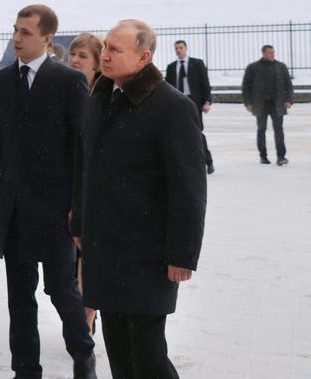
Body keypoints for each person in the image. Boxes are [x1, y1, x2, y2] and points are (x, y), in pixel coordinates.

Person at [72, 19, 207, 379]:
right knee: (119, 354)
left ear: (144, 57)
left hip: (148, 252)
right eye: (106, 46)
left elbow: (189, 188)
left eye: (116, 49)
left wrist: (182, 254)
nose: (105, 55)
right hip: (105, 248)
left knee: (148, 357)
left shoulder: (172, 107)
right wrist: (80, 222)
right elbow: (86, 167)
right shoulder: (101, 96)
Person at [0, 4, 96, 379]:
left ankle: (83, 355)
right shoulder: (0, 82)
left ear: (47, 38)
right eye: (15, 30)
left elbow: (82, 151)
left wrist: (78, 206)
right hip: (15, 207)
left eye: (25, 32)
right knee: (20, 298)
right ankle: (26, 371)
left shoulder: (68, 81)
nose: (17, 38)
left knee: (61, 289)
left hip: (56, 208)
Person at [66, 31, 103, 336]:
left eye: (83, 56)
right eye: (72, 54)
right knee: (71, 265)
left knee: (88, 261)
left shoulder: (102, 98)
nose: (75, 60)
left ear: (97, 63)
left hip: (92, 191)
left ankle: (87, 321)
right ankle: (83, 318)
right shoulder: (64, 90)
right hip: (66, 187)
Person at [164, 40, 215, 174]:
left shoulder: (197, 64)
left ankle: (208, 161)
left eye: (181, 47)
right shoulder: (171, 67)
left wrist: (207, 102)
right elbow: (167, 88)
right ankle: (183, 163)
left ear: (186, 48)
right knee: (177, 133)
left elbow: (205, 83)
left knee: (197, 132)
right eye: (176, 48)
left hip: (193, 103)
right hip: (176, 103)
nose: (178, 50)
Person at [242, 45, 294, 165]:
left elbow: (288, 85)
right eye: (270, 52)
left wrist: (289, 100)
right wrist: (248, 103)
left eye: (273, 52)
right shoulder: (253, 67)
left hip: (277, 103)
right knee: (261, 130)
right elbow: (246, 86)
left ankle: (281, 157)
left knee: (279, 130)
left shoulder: (281, 66)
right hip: (260, 104)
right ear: (264, 53)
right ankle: (263, 156)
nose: (273, 54)